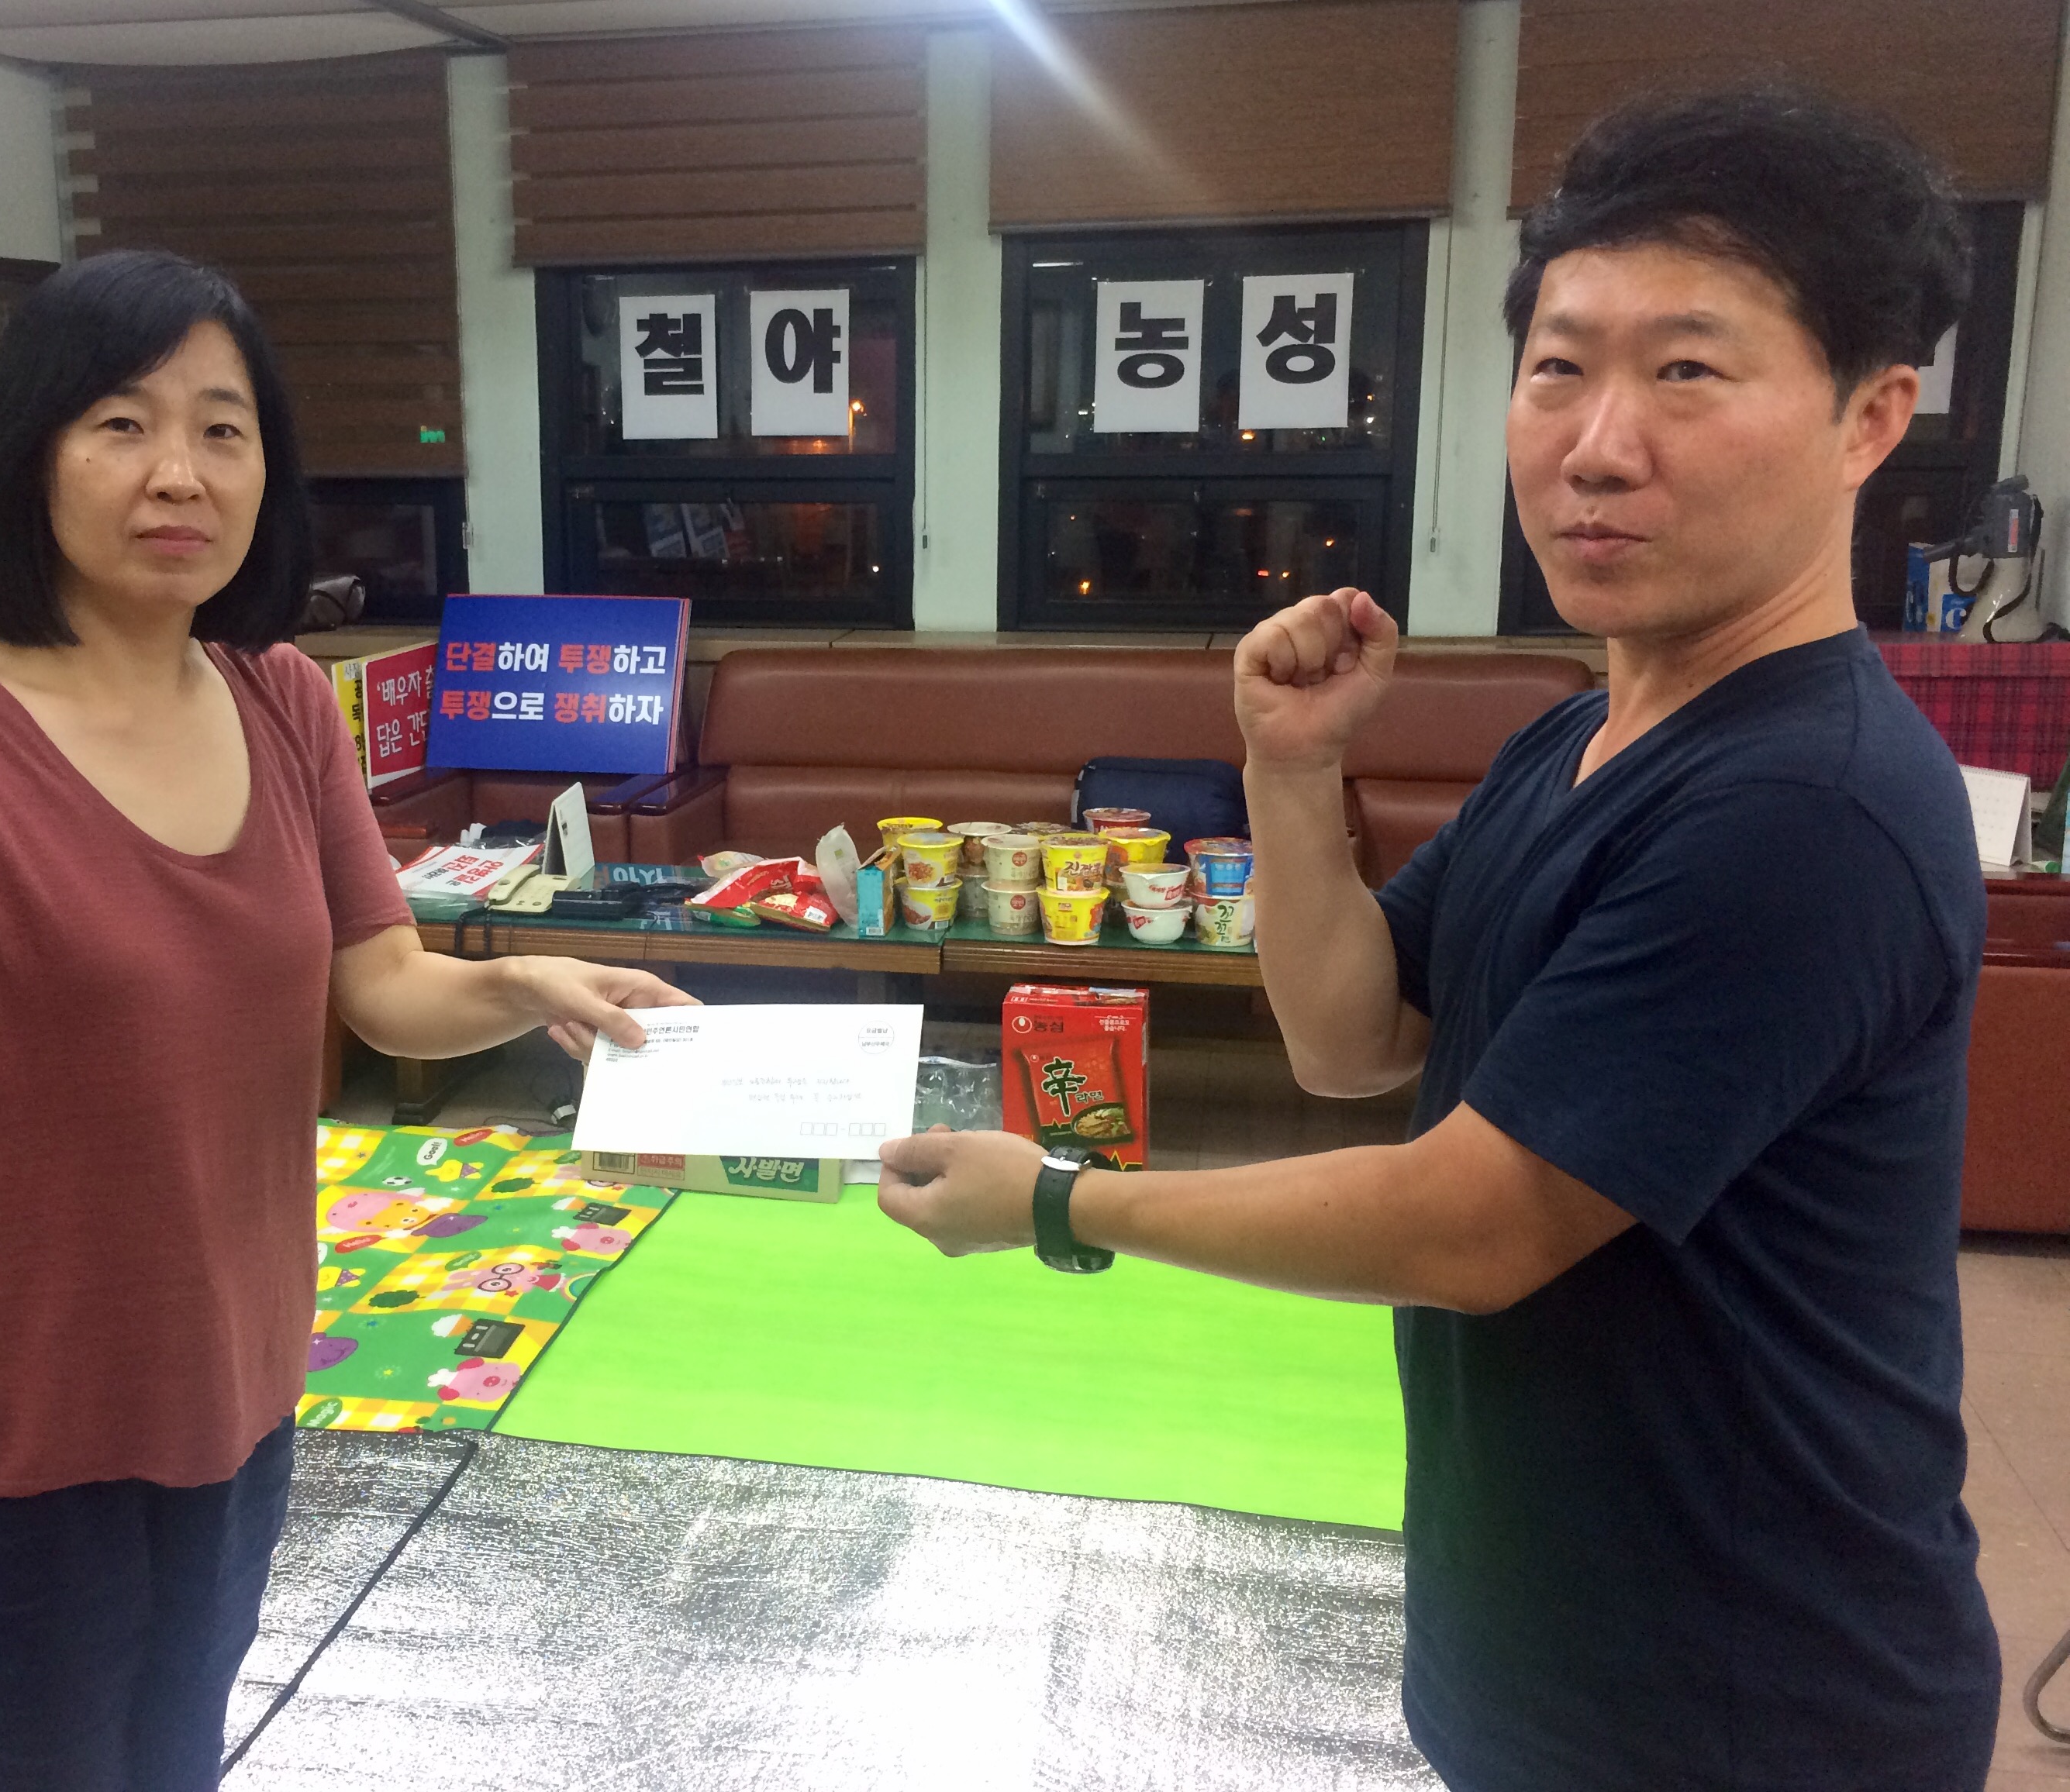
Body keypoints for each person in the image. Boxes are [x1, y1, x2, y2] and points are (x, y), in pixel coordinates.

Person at [879, 88, 1999, 1790]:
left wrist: (1054, 1199)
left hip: (1751, 1697)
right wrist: (1288, 767)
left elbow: (1474, 1223)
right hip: (1557, 1634)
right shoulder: (1584, 736)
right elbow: (1352, 1039)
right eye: (1560, 369)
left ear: (1871, 417)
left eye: (1687, 372)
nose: (1597, 445)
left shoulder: (1805, 805)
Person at [0, 250, 693, 1792]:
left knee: (177, 1757)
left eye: (223, 429)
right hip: (7, 1413)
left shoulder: (280, 700)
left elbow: (380, 982)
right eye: (121, 424)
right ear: (31, 453)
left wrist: (526, 982)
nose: (179, 471)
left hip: (233, 1384)